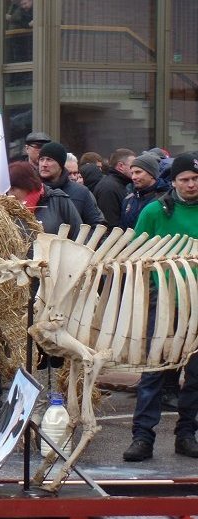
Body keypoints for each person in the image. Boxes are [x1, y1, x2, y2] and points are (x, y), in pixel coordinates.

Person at [123, 153, 198, 461]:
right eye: (185, 179)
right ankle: (143, 437)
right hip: (164, 303)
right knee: (153, 371)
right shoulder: (155, 212)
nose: (192, 184)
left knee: (195, 375)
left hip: (197, 306)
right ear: (174, 181)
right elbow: (134, 256)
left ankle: (186, 434)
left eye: (195, 179)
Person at [37, 142, 105, 227]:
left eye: (49, 160)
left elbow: (96, 226)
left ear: (61, 164)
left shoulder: (81, 192)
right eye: (41, 159)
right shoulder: (30, 190)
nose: (44, 164)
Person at [7, 161, 82, 237]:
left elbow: (79, 234)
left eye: (13, 188)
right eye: (7, 190)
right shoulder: (10, 210)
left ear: (27, 185)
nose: (9, 194)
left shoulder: (58, 200)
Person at [121, 153, 170, 230]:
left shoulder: (166, 199)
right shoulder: (128, 199)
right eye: (132, 173)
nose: (133, 177)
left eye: (138, 172)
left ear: (152, 174)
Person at [93, 148, 136, 226]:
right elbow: (110, 223)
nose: (134, 169)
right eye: (132, 165)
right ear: (121, 166)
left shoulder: (123, 184)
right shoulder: (109, 188)